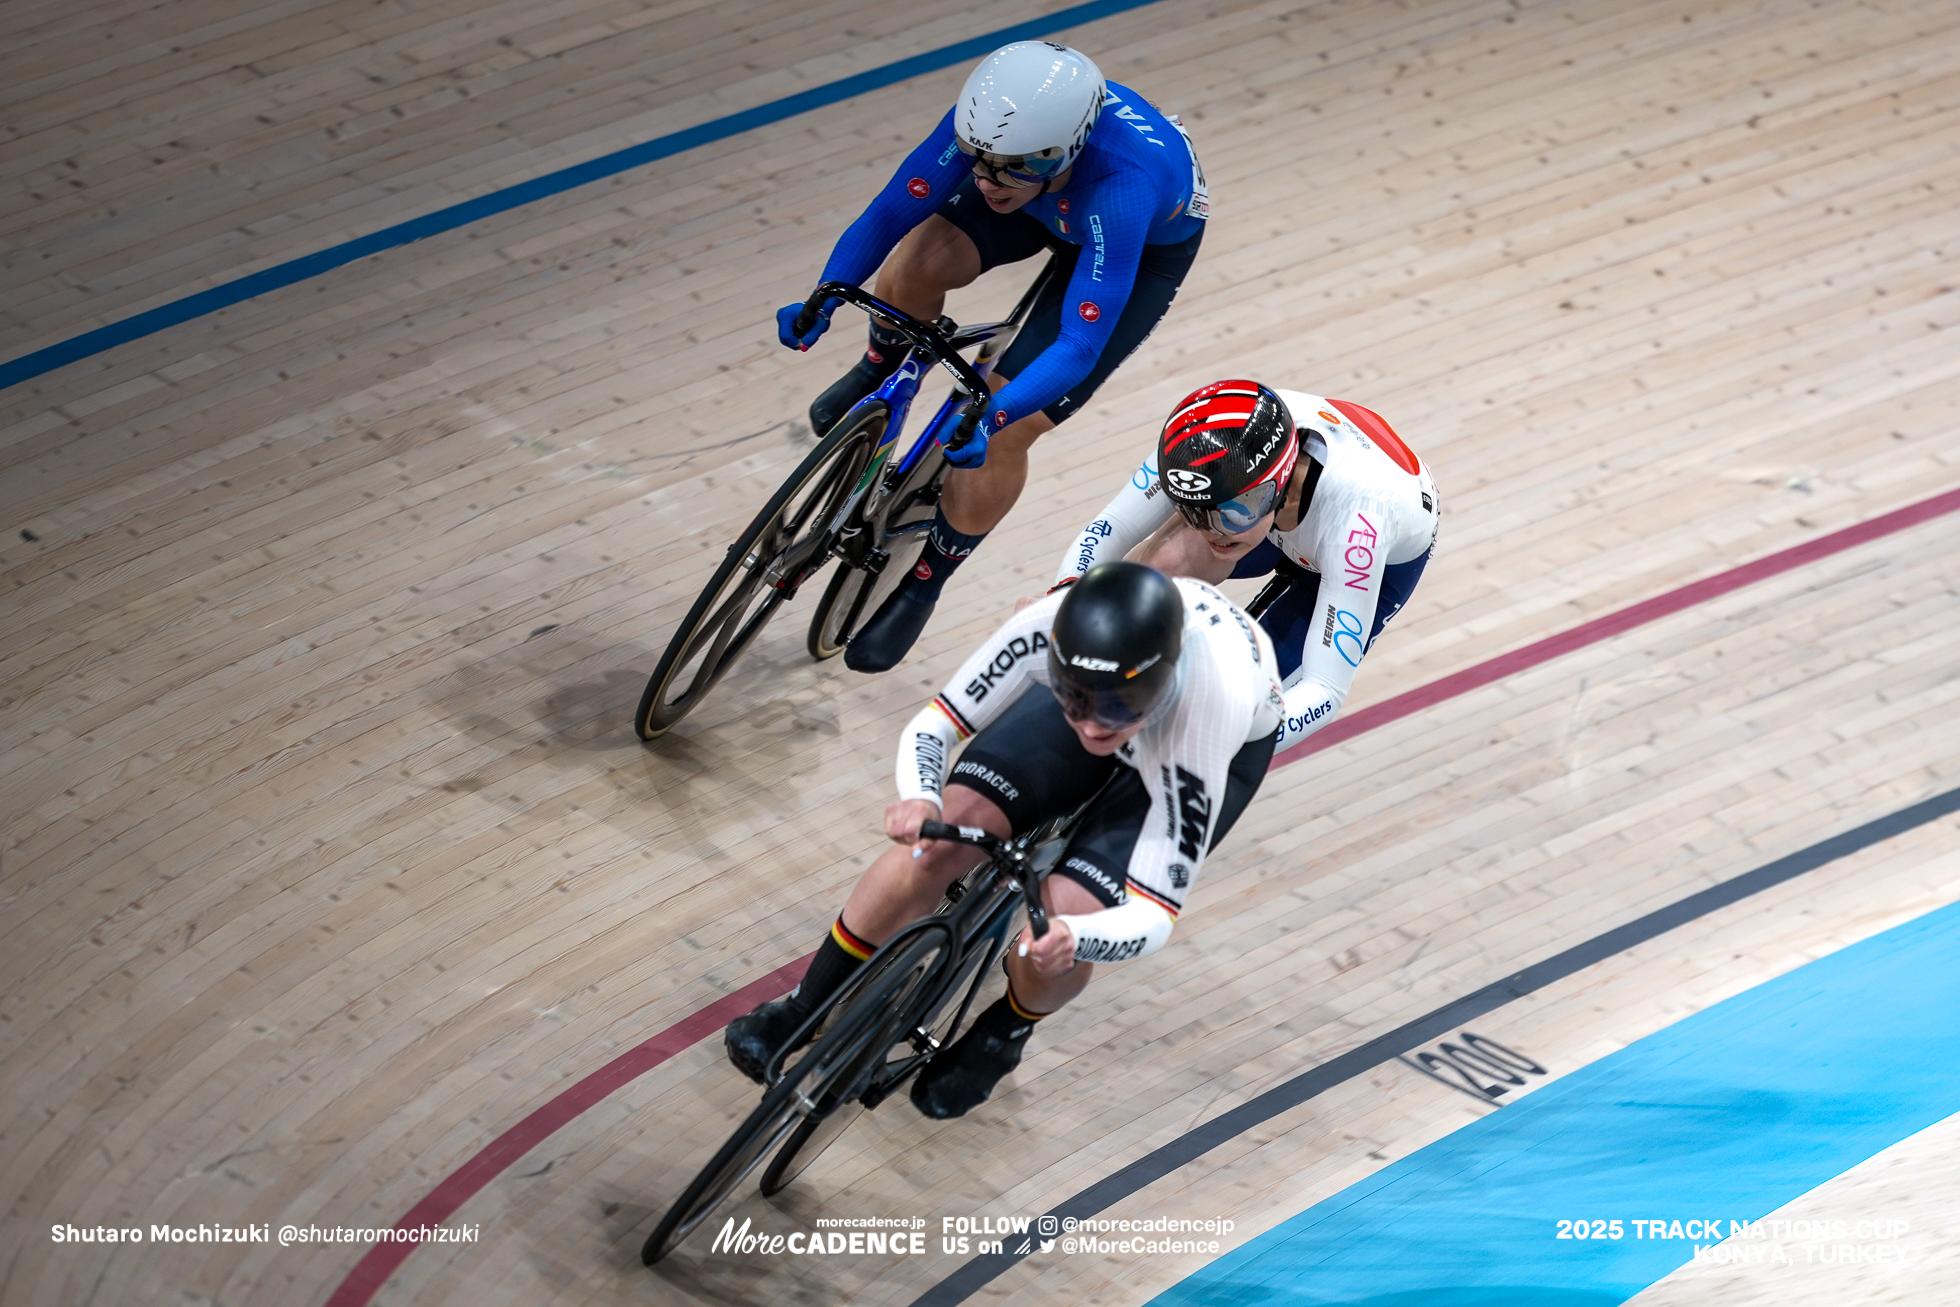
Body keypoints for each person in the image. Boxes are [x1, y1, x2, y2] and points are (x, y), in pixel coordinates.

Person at [724, 561, 1282, 1118]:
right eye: (1072, 699)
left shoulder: (1207, 716)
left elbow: (1156, 915)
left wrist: (1076, 936)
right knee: (934, 845)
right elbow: (936, 725)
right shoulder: (1044, 629)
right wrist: (920, 797)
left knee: (1065, 915)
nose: (1091, 727)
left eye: (1113, 709)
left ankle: (1004, 1033)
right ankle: (803, 1005)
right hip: (1130, 694)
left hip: (1199, 750)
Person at [776, 40, 1210, 673]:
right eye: (978, 161)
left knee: (1008, 427)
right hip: (1052, 197)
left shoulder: (1123, 185)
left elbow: (1079, 343)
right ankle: (882, 365)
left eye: (1009, 166)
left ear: (1071, 144)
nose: (986, 179)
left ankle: (924, 580)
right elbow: (889, 213)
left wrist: (992, 416)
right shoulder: (998, 135)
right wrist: (825, 293)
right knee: (912, 267)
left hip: (1131, 243)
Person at [1057, 381, 1439, 753]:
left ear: (1279, 484)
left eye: (1230, 513)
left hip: (1366, 552)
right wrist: (1060, 606)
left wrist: (1228, 744)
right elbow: (1115, 527)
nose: (1211, 532)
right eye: (1194, 512)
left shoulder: (1360, 523)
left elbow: (1325, 688)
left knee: (1252, 698)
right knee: (1161, 565)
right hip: (1269, 523)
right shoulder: (1203, 438)